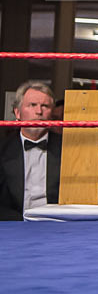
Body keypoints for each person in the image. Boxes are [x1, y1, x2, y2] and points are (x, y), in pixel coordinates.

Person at [0, 81, 62, 220]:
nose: (39, 111)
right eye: (32, 105)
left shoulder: (66, 149)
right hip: (12, 226)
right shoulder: (3, 149)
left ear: (51, 113)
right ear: (17, 112)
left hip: (55, 225)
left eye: (44, 106)